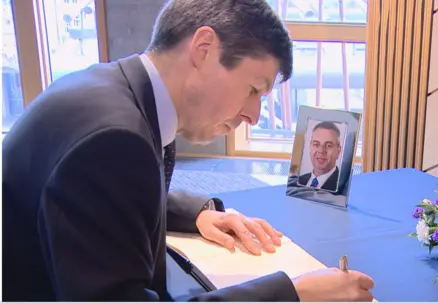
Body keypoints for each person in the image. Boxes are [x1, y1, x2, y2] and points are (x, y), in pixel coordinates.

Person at [1, 0, 374, 301]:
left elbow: (94, 199)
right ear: (204, 49)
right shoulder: (114, 141)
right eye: (253, 89)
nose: (254, 115)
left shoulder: (108, 91)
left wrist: (194, 213)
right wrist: (293, 293)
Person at [298, 121, 343, 192]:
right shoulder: (298, 181)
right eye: (316, 144)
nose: (321, 151)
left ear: (338, 151)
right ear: (310, 147)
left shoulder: (343, 186)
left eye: (328, 145)